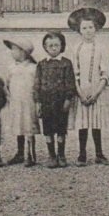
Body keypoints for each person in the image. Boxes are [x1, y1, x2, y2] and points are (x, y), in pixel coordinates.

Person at [67, 7, 109, 166]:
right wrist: (79, 93)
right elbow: (74, 72)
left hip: (96, 90)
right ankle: (82, 154)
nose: (88, 31)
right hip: (81, 91)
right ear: (79, 30)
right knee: (83, 123)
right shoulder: (76, 49)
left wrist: (97, 92)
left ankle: (99, 153)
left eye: (90, 27)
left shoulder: (101, 48)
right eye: (84, 28)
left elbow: (105, 72)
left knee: (95, 123)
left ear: (96, 29)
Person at [35, 32, 77, 169]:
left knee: (61, 129)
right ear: (45, 47)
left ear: (61, 46)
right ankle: (51, 155)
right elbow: (37, 84)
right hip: (46, 102)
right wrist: (38, 102)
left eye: (56, 45)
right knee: (48, 129)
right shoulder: (41, 64)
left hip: (60, 102)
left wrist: (68, 99)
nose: (54, 48)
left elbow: (70, 82)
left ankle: (61, 155)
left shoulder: (66, 63)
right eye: (50, 45)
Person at [3, 39, 39, 166]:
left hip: (29, 103)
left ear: (23, 52)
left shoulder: (33, 68)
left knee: (29, 126)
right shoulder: (11, 68)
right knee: (18, 126)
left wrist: (38, 101)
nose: (12, 52)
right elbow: (7, 84)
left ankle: (30, 155)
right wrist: (9, 97)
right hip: (16, 102)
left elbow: (37, 86)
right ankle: (20, 153)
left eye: (14, 49)